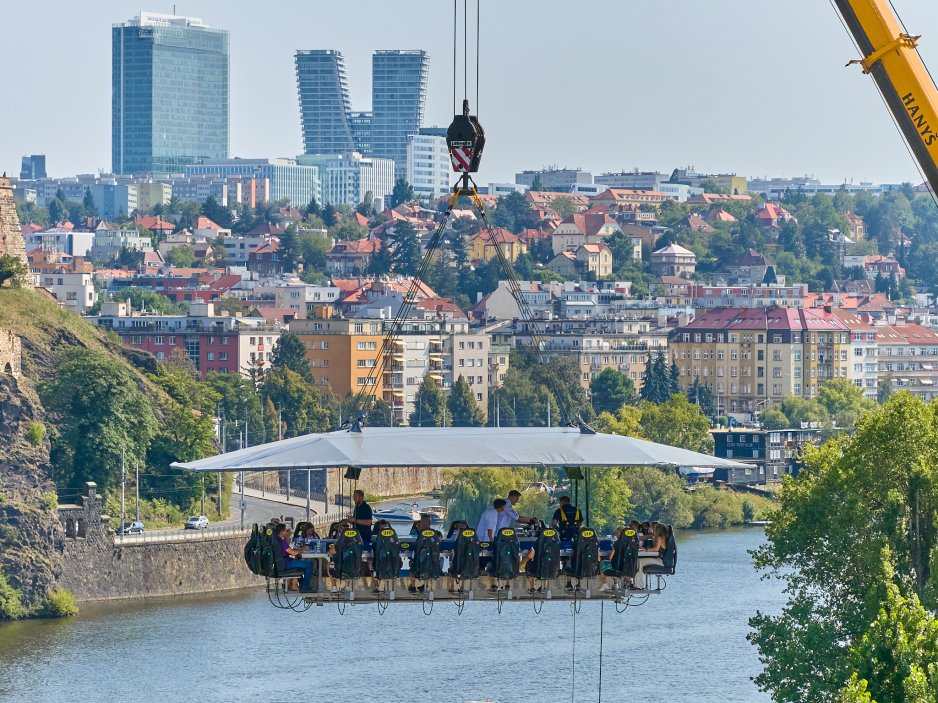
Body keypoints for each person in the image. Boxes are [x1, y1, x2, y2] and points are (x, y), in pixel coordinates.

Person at [275, 523, 314, 592]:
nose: (287, 532)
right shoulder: (282, 541)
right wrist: (303, 549)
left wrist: (287, 537)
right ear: (282, 532)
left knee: (301, 566)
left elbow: (290, 550)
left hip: (282, 562)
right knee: (309, 565)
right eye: (286, 530)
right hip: (286, 563)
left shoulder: (277, 540)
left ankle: (302, 585)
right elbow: (293, 553)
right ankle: (305, 587)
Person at [635, 523, 668, 589]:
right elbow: (641, 538)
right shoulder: (655, 536)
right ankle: (637, 584)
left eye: (653, 528)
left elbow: (656, 549)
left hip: (661, 561)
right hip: (658, 559)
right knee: (638, 561)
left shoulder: (659, 538)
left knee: (639, 562)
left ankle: (639, 586)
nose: (650, 529)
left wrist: (646, 549)